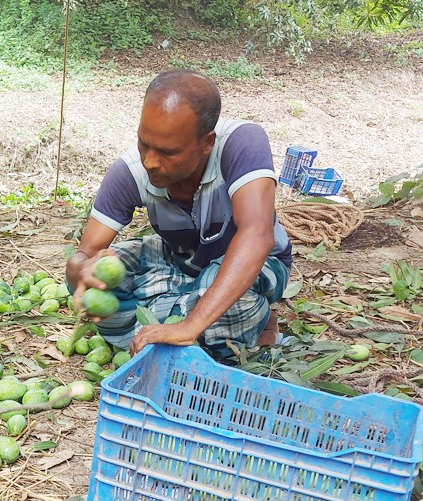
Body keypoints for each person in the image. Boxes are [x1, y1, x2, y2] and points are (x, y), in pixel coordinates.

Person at [66, 69, 291, 357]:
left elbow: (257, 235)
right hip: (179, 261)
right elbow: (84, 256)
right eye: (143, 144)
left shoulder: (240, 143)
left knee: (224, 301)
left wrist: (190, 325)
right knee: (107, 279)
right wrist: (81, 271)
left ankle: (195, 313)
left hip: (259, 264)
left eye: (167, 152)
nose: (150, 162)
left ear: (206, 143)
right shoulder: (130, 172)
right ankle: (196, 313)